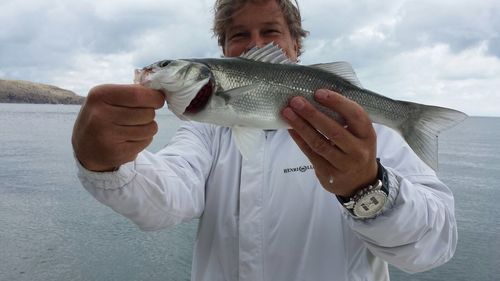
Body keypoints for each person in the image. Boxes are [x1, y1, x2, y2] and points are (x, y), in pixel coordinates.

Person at [72, 0, 457, 280]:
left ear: (295, 45)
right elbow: (167, 201)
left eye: (270, 32)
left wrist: (369, 187)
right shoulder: (207, 129)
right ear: (222, 50)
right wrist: (105, 162)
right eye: (239, 35)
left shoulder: (366, 133)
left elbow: (434, 246)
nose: (255, 44)